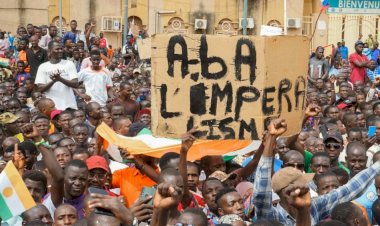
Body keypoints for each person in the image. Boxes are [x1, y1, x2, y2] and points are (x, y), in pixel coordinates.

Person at [252, 118, 380, 225]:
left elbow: (349, 189)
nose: (307, 186)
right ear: (287, 192)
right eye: (302, 183)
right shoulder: (271, 216)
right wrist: (271, 139)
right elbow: (261, 193)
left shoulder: (313, 206)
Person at [35, 41, 79, 110]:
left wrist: (60, 79)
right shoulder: (43, 67)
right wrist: (53, 81)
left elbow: (76, 84)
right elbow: (40, 89)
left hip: (69, 105)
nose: (60, 51)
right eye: (57, 49)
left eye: (61, 49)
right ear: (49, 51)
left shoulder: (69, 64)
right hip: (52, 107)